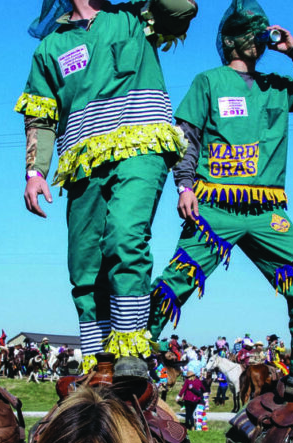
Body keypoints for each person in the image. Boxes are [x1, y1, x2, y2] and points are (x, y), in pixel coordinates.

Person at [148, 0, 293, 402]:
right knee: (177, 280)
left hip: (267, 211)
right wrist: (184, 186)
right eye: (251, 31)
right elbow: (186, 138)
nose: (258, 38)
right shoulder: (208, 82)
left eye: (261, 31)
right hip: (214, 204)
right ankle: (132, 350)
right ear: (232, 38)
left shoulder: (277, 88)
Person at [15, 0, 198, 371]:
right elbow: (41, 117)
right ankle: (99, 361)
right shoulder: (51, 47)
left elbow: (182, 9)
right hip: (82, 161)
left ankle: (131, 350)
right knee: (85, 263)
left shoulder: (136, 17)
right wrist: (35, 173)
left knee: (124, 235)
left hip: (142, 145)